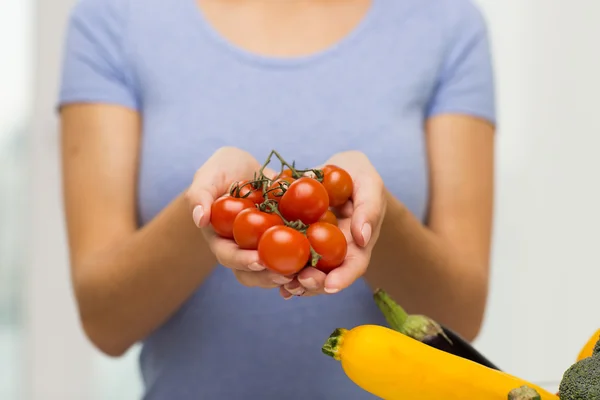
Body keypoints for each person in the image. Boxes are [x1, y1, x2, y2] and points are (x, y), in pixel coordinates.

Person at [57, 0, 496, 398]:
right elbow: (105, 322)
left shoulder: (446, 22)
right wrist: (208, 211)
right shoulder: (113, 17)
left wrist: (378, 214)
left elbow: (459, 318)